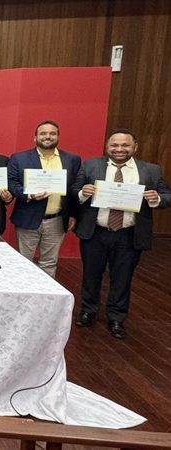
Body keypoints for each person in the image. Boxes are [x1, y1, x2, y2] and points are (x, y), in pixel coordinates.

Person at [72, 129, 170, 339]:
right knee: (91, 274)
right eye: (114, 145)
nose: (119, 149)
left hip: (129, 234)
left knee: (123, 277)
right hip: (95, 231)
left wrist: (156, 199)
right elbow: (74, 190)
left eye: (125, 145)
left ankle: (117, 317)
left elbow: (166, 195)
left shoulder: (151, 170)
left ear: (135, 147)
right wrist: (83, 193)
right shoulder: (91, 165)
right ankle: (88, 310)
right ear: (107, 147)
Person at [7, 120, 81, 278]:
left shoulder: (72, 159)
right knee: (23, 262)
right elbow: (12, 183)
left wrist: (73, 214)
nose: (48, 137)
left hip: (57, 219)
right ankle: (23, 297)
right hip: (28, 217)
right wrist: (29, 194)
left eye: (52, 133)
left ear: (58, 136)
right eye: (43, 133)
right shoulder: (19, 158)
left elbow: (74, 188)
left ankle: (46, 300)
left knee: (49, 262)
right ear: (35, 138)